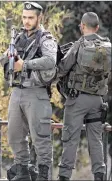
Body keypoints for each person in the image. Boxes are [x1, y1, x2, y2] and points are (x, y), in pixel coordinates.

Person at [0, 2, 58, 181]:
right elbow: (3, 57)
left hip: (36, 92)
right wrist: (9, 57)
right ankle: (22, 172)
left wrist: (24, 64)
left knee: (40, 137)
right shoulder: (17, 38)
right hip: (17, 91)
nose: (26, 21)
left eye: (30, 17)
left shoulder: (46, 39)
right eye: (24, 17)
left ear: (39, 18)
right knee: (14, 134)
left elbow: (50, 61)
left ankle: (43, 175)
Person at [57, 12, 111, 181]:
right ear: (97, 28)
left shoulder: (79, 45)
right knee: (96, 140)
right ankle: (99, 176)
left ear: (82, 26)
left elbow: (63, 68)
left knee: (70, 139)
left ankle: (64, 176)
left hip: (77, 100)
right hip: (98, 100)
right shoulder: (107, 46)